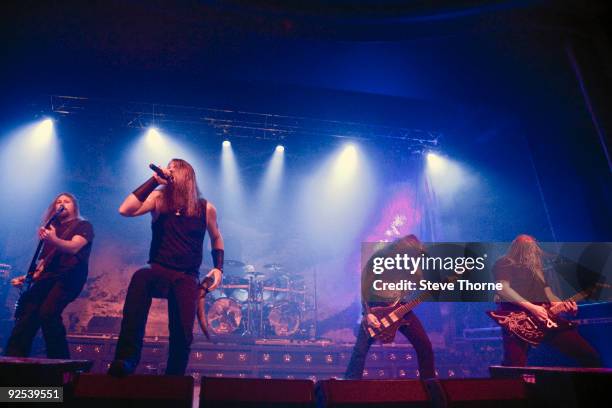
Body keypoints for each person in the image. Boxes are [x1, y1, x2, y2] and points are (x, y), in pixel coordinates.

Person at [109, 158, 224, 376]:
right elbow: (125, 209)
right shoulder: (158, 198)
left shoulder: (205, 207)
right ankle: (126, 360)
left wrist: (219, 267)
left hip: (186, 275)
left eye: (172, 168)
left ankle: (174, 374)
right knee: (140, 278)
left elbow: (216, 237)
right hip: (159, 270)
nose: (167, 170)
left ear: (185, 175)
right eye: (167, 168)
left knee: (182, 331)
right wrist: (153, 181)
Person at [5, 193, 94, 358]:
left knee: (48, 312)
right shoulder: (52, 229)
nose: (62, 204)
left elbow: (74, 247)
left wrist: (53, 239)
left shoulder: (83, 225)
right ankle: (13, 358)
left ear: (75, 206)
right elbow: (45, 264)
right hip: (48, 278)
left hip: (69, 277)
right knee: (27, 312)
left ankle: (60, 361)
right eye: (58, 202)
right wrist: (28, 277)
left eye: (66, 201)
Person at [493, 234, 601, 367]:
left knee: (588, 354)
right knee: (514, 365)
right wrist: (533, 308)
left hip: (546, 319)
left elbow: (549, 295)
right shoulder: (504, 263)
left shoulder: (536, 269)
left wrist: (563, 305)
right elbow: (503, 289)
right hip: (519, 320)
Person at [345, 234, 436, 379]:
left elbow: (416, 287)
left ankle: (430, 384)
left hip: (401, 310)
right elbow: (365, 286)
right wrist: (367, 313)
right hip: (377, 309)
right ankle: (349, 387)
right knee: (360, 351)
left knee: (424, 346)